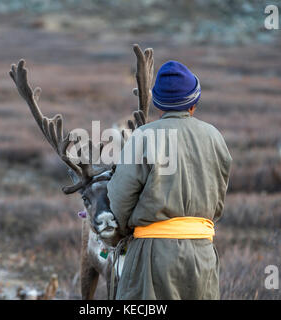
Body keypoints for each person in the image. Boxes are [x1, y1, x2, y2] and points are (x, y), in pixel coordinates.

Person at [107, 60, 232, 299]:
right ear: (194, 103)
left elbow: (119, 201)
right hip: (202, 254)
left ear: (158, 106)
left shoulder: (143, 136)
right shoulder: (215, 137)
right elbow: (218, 202)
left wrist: (120, 234)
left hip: (151, 256)